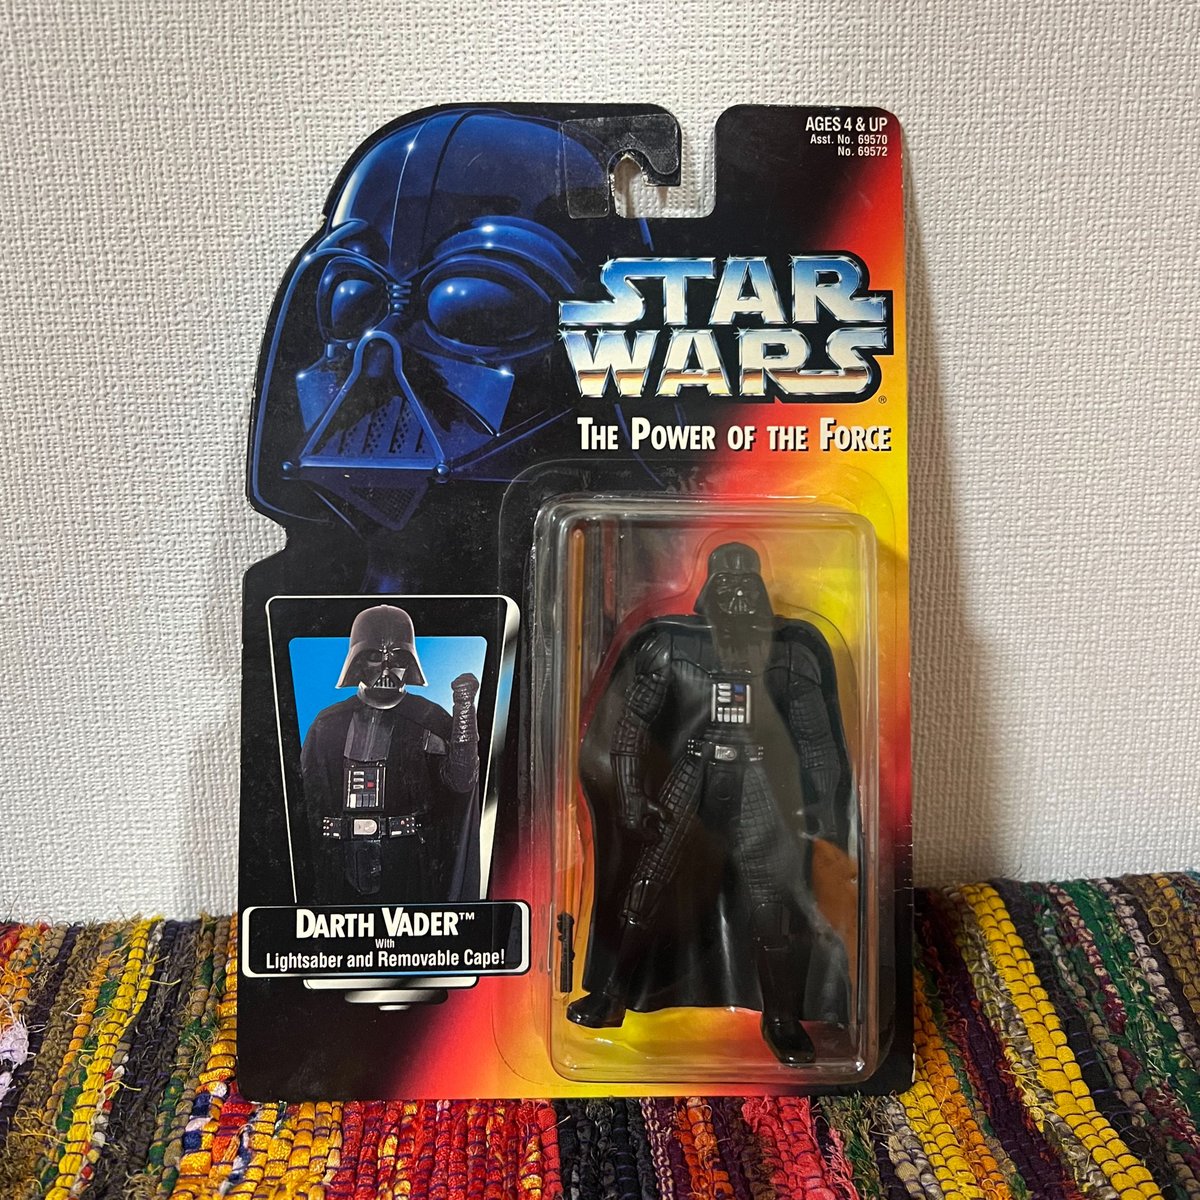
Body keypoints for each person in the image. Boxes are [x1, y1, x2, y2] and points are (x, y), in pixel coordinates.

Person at [298, 605, 480, 904]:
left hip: (408, 863)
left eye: (397, 658)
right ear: (357, 661)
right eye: (374, 656)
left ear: (410, 663)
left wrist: (464, 712)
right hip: (339, 866)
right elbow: (305, 802)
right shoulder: (328, 724)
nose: (386, 669)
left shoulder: (429, 719)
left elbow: (461, 781)